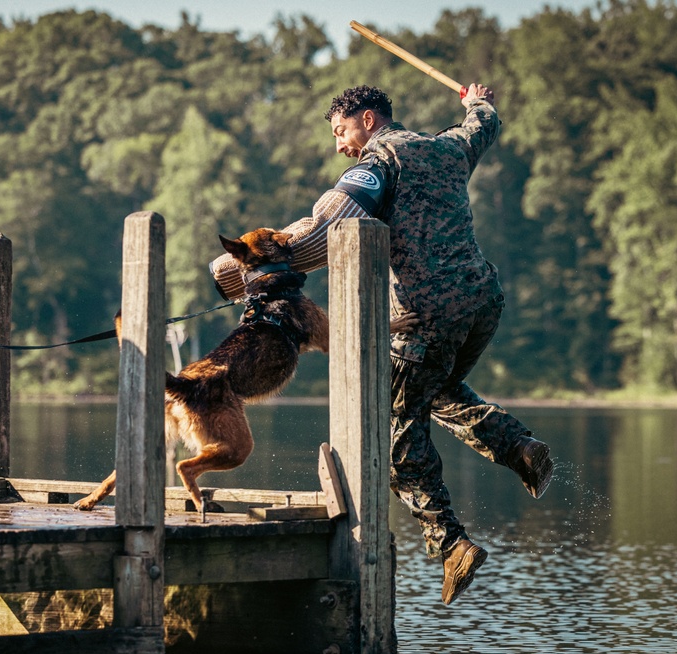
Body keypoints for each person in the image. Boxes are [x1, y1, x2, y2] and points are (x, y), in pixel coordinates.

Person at [208, 83, 553, 604]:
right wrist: (476, 100)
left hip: (425, 313)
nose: (340, 146)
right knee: (433, 387)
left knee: (394, 435)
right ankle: (517, 447)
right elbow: (485, 124)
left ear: (368, 120)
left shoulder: (380, 160)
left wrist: (239, 268)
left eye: (341, 132)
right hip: (482, 301)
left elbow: (327, 227)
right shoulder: (448, 146)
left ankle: (451, 543)